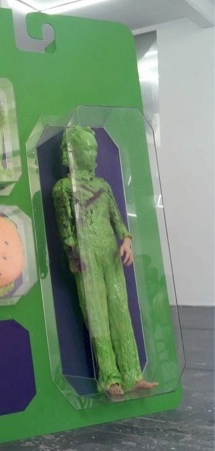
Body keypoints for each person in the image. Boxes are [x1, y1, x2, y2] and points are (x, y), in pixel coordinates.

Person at [52, 125, 158, 397]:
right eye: (87, 148)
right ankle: (110, 378)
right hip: (86, 257)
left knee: (121, 311)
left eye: (94, 148)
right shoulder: (63, 189)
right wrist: (73, 253)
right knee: (97, 317)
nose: (92, 153)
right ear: (73, 152)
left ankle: (133, 374)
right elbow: (65, 228)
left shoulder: (103, 186)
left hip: (111, 254)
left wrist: (126, 239)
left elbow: (117, 218)